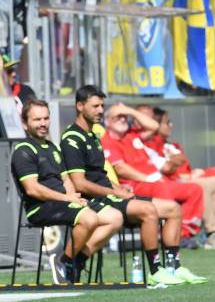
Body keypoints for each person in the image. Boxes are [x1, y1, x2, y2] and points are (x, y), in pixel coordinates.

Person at [61, 85, 206, 284]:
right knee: (148, 210)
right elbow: (80, 183)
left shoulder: (93, 136)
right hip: (97, 201)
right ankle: (155, 271)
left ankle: (174, 267)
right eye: (95, 106)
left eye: (102, 106)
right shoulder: (72, 138)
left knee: (173, 209)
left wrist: (119, 188)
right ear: (79, 106)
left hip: (111, 194)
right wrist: (114, 191)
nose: (100, 111)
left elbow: (100, 174)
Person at [11, 99, 122, 284]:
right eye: (37, 119)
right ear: (25, 123)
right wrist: (66, 198)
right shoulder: (23, 151)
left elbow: (66, 180)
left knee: (115, 217)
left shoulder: (52, 148)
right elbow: (32, 189)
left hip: (63, 202)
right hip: (41, 207)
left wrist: (74, 198)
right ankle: (66, 261)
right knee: (90, 218)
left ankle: (76, 259)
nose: (43, 123)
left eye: (46, 118)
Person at [140, 105, 215, 250]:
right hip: (167, 184)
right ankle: (212, 233)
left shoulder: (169, 144)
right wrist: (175, 165)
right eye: (167, 122)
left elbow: (181, 159)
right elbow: (166, 168)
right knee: (205, 183)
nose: (171, 125)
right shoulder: (148, 143)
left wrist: (174, 163)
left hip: (179, 180)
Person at [100, 103, 206, 248]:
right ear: (107, 121)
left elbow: (154, 126)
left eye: (125, 117)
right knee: (163, 192)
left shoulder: (132, 134)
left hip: (157, 181)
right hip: (136, 185)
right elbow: (121, 169)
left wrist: (128, 110)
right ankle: (171, 239)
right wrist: (147, 178)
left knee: (194, 190)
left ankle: (183, 234)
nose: (123, 119)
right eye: (118, 117)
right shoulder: (107, 141)